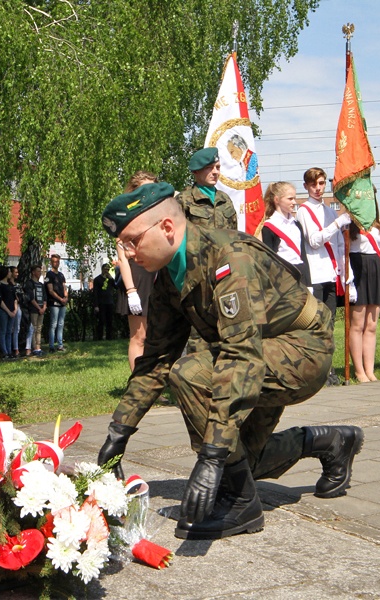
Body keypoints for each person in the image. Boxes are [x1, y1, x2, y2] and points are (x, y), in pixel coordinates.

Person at [97, 182, 363, 541]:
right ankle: (330, 442)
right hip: (261, 349)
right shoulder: (169, 279)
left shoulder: (228, 258)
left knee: (191, 376)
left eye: (132, 241)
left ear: (167, 228)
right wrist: (118, 434)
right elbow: (155, 360)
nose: (127, 254)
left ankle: (240, 504)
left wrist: (210, 457)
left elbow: (240, 355)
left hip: (302, 348)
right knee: (244, 461)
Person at [296, 167, 350, 386]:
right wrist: (337, 223)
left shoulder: (329, 211)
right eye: (314, 185)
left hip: (330, 272)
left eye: (321, 184)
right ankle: (317, 371)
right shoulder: (304, 211)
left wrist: (344, 269)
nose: (318, 189)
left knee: (329, 324)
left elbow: (337, 244)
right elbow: (314, 240)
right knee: (316, 324)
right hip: (315, 273)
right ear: (306, 186)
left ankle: (329, 368)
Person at [116, 171, 159, 370]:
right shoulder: (125, 213)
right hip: (138, 276)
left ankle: (154, 377)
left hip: (158, 273)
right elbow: (123, 257)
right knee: (139, 336)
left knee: (155, 335)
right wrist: (131, 291)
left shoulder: (159, 212)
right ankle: (138, 381)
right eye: (144, 187)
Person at [348, 222, 380, 383]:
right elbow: (344, 252)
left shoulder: (379, 223)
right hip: (357, 267)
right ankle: (359, 370)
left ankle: (370, 369)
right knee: (357, 324)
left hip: (376, 268)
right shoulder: (348, 222)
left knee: (372, 325)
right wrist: (349, 281)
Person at [260, 181, 310, 285]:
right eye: (290, 199)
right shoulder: (269, 226)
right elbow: (268, 260)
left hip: (301, 274)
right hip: (283, 275)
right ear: (277, 200)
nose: (294, 202)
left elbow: (303, 255)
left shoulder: (296, 224)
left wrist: (309, 283)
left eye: (294, 198)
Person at [175, 147, 237, 230]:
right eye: (209, 168)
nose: (215, 172)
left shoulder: (224, 199)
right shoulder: (184, 199)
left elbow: (234, 233)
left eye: (217, 167)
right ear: (196, 171)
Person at [45, 254, 69, 352]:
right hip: (54, 303)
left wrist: (66, 297)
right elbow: (50, 290)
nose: (56, 263)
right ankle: (51, 346)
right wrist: (60, 299)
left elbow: (64, 287)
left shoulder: (61, 275)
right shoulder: (49, 275)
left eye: (58, 261)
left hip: (62, 303)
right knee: (53, 324)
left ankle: (60, 344)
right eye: (54, 261)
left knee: (61, 324)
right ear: (51, 262)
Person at [0, 265, 17, 359]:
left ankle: (9, 350)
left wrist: (15, 310)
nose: (10, 273)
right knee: (3, 331)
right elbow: (0, 301)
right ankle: (4, 351)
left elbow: (15, 298)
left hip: (12, 311)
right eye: (8, 272)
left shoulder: (10, 285)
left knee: (9, 331)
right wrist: (8, 311)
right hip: (4, 311)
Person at [23, 265, 46, 356]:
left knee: (39, 328)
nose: (39, 273)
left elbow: (45, 297)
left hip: (41, 308)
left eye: (40, 271)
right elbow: (31, 298)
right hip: (34, 309)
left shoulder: (41, 284)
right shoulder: (29, 283)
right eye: (38, 271)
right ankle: (34, 347)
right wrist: (39, 308)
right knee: (34, 327)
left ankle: (38, 346)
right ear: (33, 272)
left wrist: (44, 307)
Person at [92, 264, 117, 340]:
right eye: (105, 269)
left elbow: (116, 286)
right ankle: (99, 337)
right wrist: (96, 305)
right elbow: (95, 293)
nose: (107, 271)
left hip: (109, 302)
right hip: (101, 303)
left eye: (108, 269)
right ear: (102, 269)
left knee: (110, 321)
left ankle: (109, 337)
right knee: (101, 321)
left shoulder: (109, 279)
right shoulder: (97, 279)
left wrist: (111, 278)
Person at [9, 266, 23, 358]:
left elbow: (21, 296)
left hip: (18, 307)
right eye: (15, 272)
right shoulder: (8, 285)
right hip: (10, 308)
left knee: (17, 328)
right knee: (10, 328)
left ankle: (16, 348)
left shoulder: (18, 285)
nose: (17, 274)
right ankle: (9, 349)